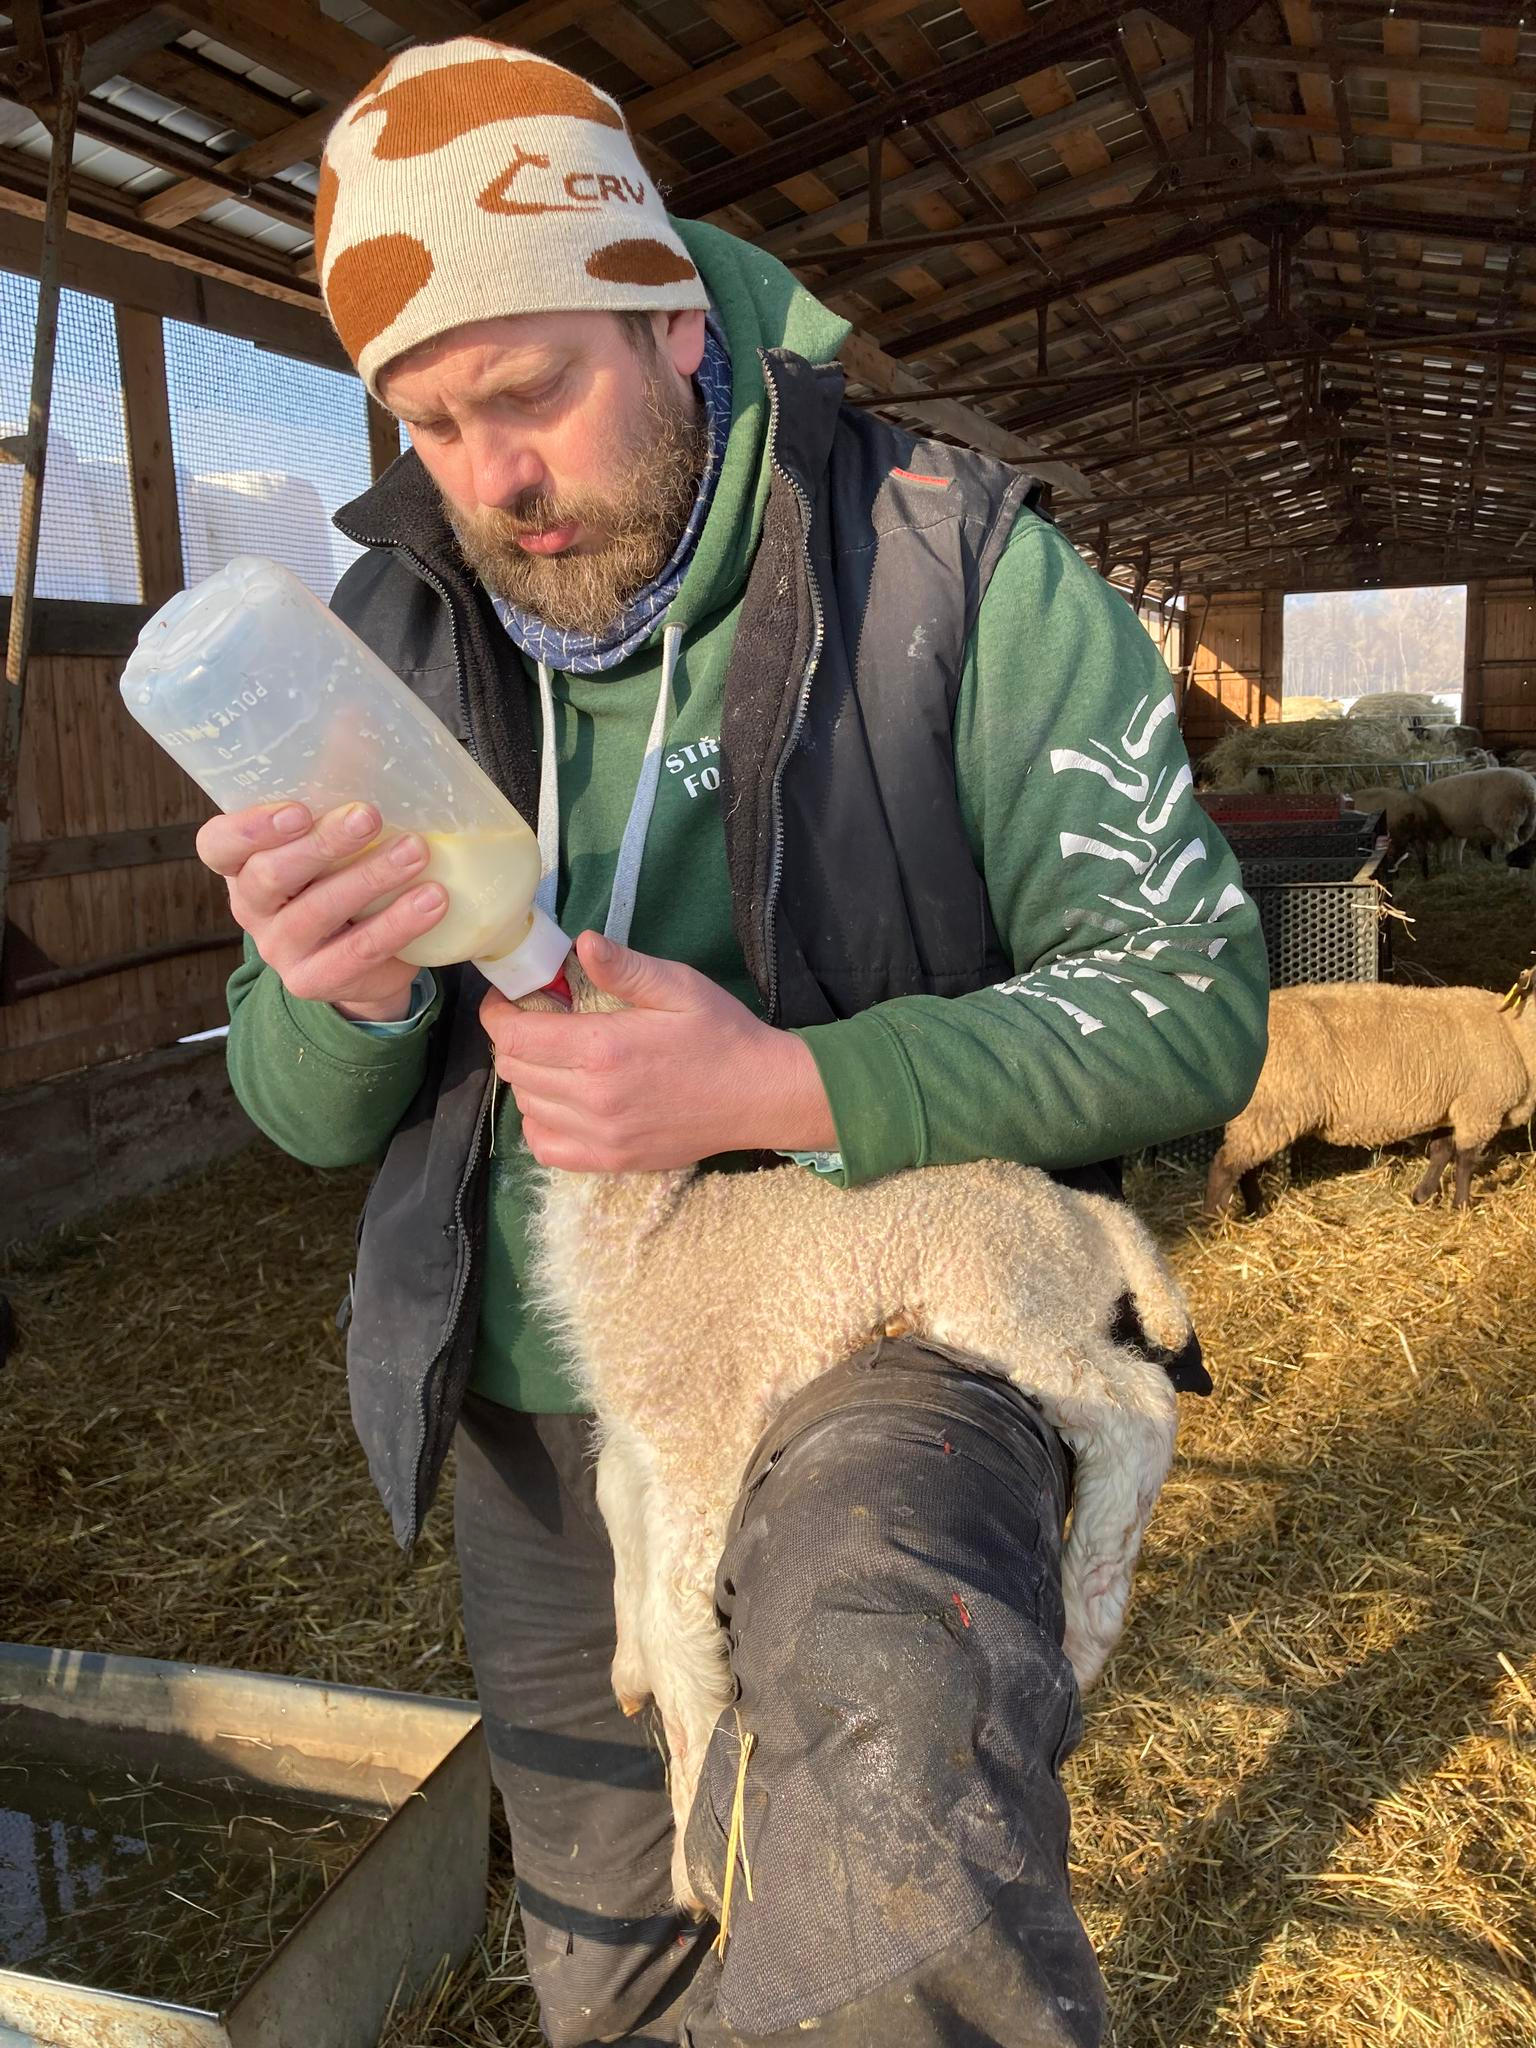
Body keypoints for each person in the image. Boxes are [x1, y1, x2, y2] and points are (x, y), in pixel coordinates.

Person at [199, 36, 1268, 2048]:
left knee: (881, 1883)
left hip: (874, 1332)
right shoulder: (388, 635)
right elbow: (301, 1111)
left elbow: (1189, 990)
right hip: (550, 1396)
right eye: (431, 421)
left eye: (533, 391)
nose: (493, 478)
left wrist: (788, 1084)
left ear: (675, 320)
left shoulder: (947, 563)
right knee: (611, 1945)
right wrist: (339, 992)